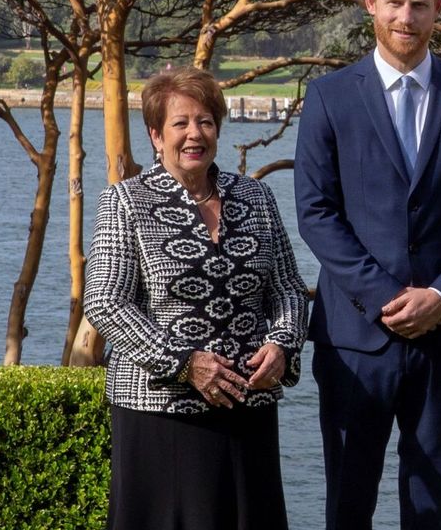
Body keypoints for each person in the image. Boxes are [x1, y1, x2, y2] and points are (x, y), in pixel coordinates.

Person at [295, 0, 441, 530]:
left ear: (438, 7)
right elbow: (316, 213)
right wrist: (389, 297)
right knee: (348, 502)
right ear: (370, 3)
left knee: (432, 507)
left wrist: (440, 295)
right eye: (394, 3)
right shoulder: (329, 97)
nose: (405, 18)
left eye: (419, 5)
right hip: (354, 339)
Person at [86, 66, 308, 530]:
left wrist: (283, 347)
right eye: (180, 123)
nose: (195, 134)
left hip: (249, 407)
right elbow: (105, 300)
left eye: (205, 121)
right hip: (162, 413)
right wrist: (186, 362)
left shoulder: (257, 197)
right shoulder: (127, 202)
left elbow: (287, 286)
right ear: (155, 134)